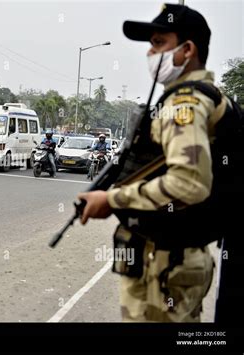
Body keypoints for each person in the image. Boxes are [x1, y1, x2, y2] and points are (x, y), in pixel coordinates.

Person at [77, 3, 234, 322]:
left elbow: (188, 183)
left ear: (187, 49)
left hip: (163, 266)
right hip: (181, 259)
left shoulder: (184, 104)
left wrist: (111, 199)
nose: (150, 52)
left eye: (159, 43)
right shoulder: (210, 97)